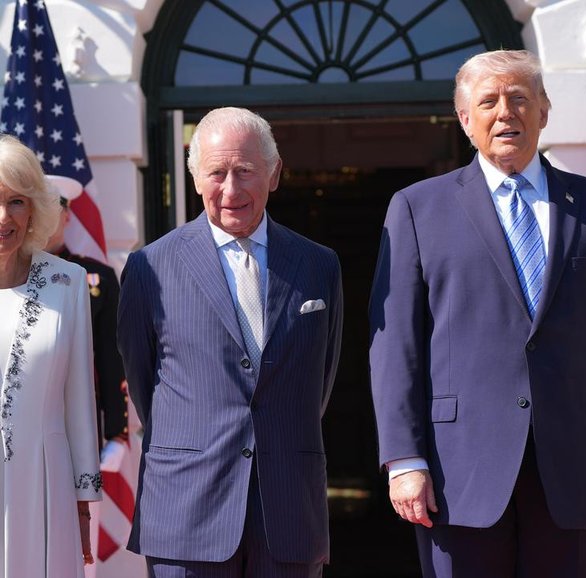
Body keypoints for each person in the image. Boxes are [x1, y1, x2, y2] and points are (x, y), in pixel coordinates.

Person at [368, 49, 586, 577]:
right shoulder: (416, 208)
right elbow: (396, 347)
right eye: (489, 102)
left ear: (544, 111)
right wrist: (404, 460)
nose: (506, 113)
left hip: (577, 466)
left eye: (520, 98)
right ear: (464, 119)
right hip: (457, 472)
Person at [117, 106, 343, 578]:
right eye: (217, 173)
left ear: (274, 174)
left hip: (289, 509)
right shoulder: (149, 268)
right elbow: (143, 383)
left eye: (245, 171)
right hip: (186, 510)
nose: (231, 190)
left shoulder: (319, 265)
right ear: (195, 177)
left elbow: (320, 382)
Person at [0, 134, 102, 576]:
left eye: (16, 202)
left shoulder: (68, 281)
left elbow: (80, 399)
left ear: (35, 209)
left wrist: (83, 501)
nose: (3, 217)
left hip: (47, 486)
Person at [44, 175, 128, 448]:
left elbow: (111, 358)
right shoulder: (10, 275)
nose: (45, 218)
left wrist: (116, 433)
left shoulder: (96, 278)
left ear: (67, 215)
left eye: (53, 208)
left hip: (76, 423)